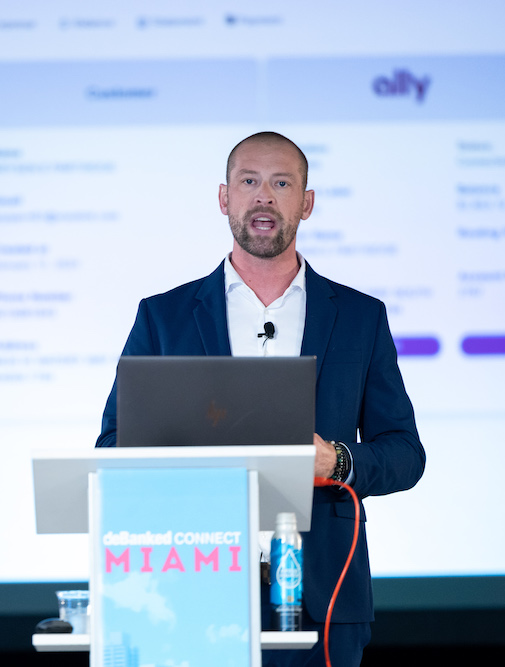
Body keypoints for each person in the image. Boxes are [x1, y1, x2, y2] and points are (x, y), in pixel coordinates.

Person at [96, 131, 426, 666]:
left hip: (323, 599)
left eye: (282, 184)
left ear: (307, 203)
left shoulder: (360, 317)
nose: (264, 197)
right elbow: (113, 447)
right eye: (249, 181)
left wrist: (337, 461)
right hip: (191, 594)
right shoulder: (163, 317)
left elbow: (405, 454)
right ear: (224, 198)